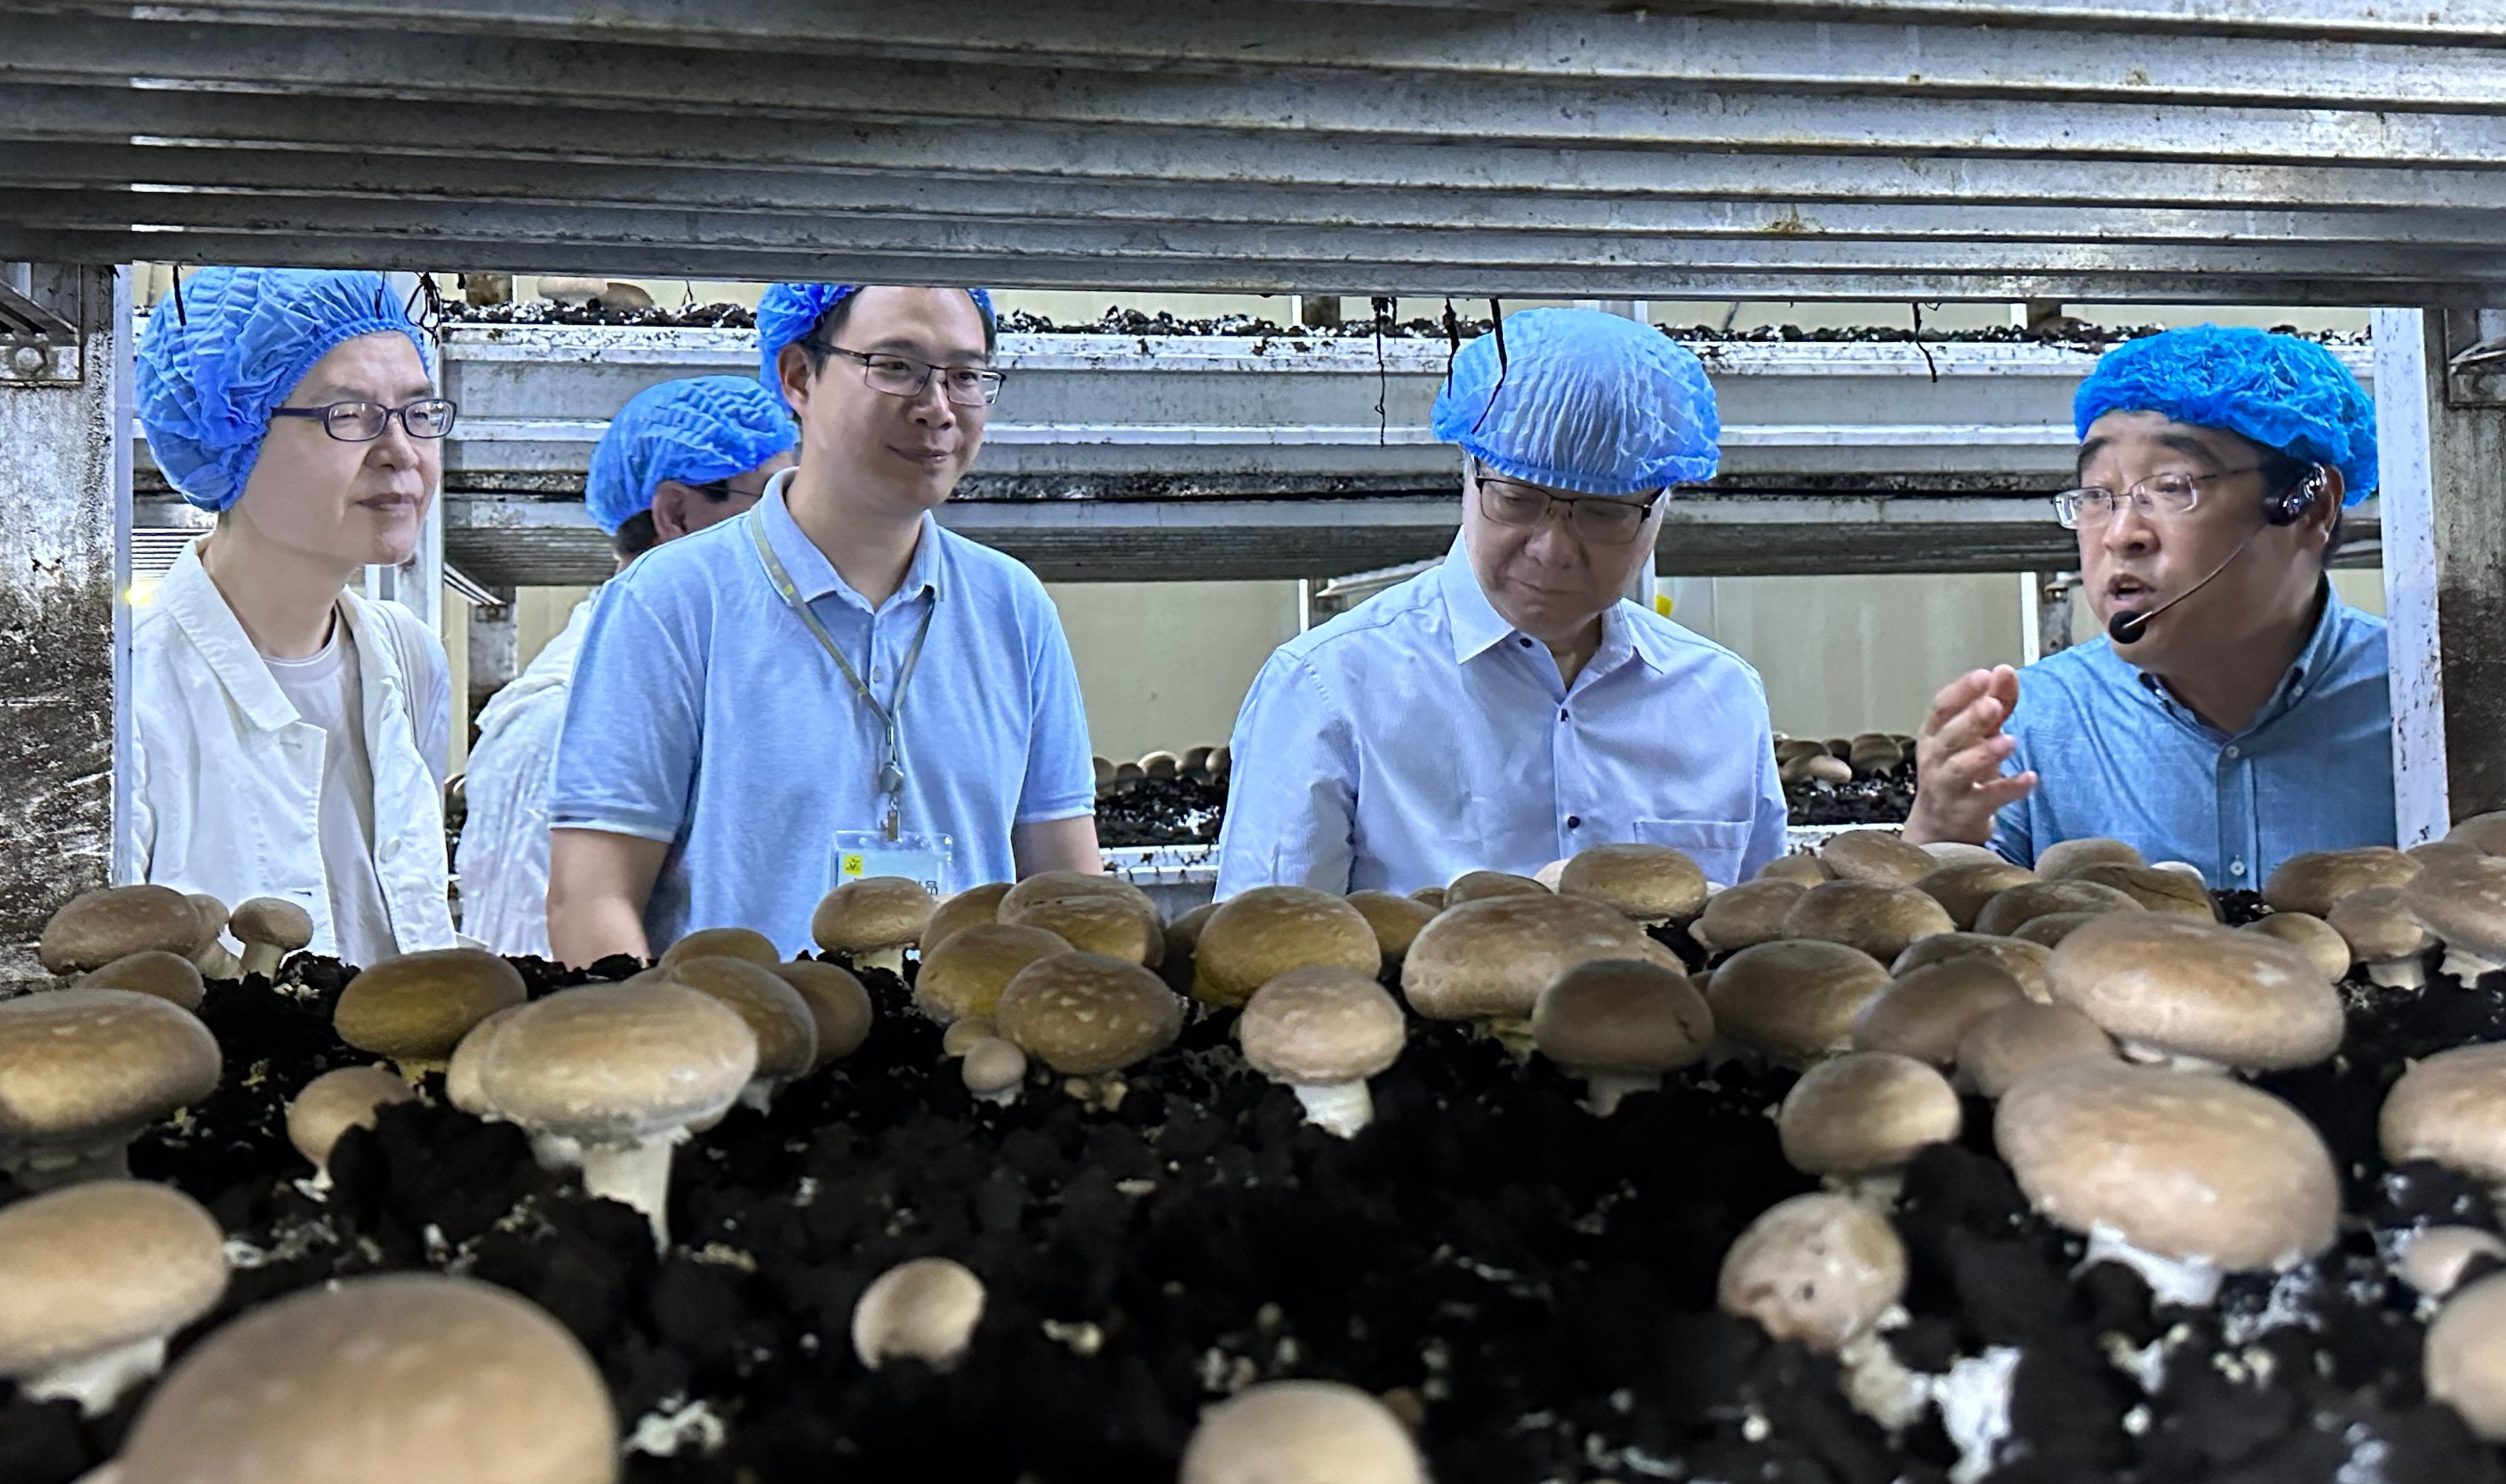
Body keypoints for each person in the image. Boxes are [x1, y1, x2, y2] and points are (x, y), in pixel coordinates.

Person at [545, 282, 1100, 964]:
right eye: (895, 367)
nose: (936, 408)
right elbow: (591, 899)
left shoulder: (1012, 607)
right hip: (745, 1055)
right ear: (799, 377)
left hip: (974, 1059)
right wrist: (654, 1056)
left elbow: (1066, 892)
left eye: (965, 376)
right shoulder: (673, 603)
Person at [1214, 306, 1788, 897]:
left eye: (1603, 512)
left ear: (1660, 509)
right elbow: (1274, 959)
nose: (1554, 549)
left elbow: (1762, 948)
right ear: (1469, 474)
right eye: (1517, 500)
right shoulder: (1328, 689)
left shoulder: (1722, 699)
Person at [1903, 325, 2390, 887]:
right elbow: (1940, 959)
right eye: (2096, 496)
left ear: (2309, 508)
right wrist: (1936, 832)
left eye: (2171, 487)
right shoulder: (2026, 731)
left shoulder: (2430, 708)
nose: (2120, 535)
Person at [128, 266, 459, 964]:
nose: (401, 453)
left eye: (419, 413)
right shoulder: (129, 694)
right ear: (232, 428)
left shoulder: (409, 656)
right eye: (350, 415)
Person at [454, 375, 797, 957]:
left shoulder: (718, 685)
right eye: (771, 499)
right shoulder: (559, 719)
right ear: (677, 514)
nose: (794, 526)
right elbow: (534, 969)